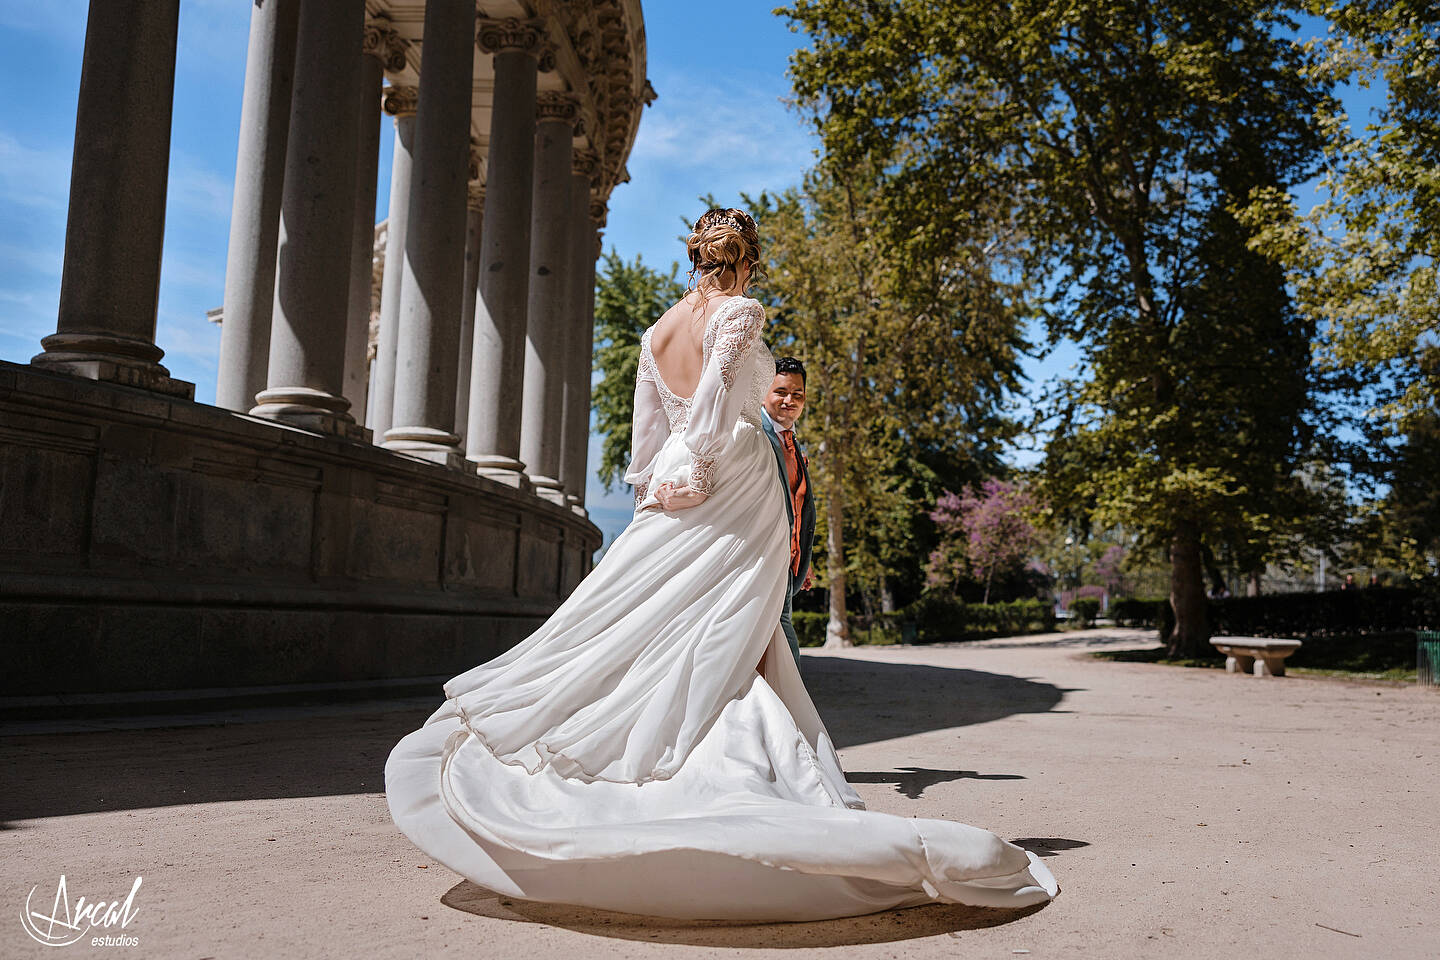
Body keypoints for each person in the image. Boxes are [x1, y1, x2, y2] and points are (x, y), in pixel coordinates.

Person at [384, 208, 1057, 921]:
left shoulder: (658, 328)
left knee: (680, 626)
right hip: (729, 478)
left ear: (694, 255)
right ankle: (730, 767)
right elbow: (710, 407)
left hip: (679, 483)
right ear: (750, 259)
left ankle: (672, 751)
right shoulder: (740, 312)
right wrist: (700, 466)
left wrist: (654, 491)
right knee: (726, 630)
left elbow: (649, 429)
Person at [760, 358, 815, 669]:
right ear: (764, 392)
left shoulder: (793, 442)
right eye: (781, 391)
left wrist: (803, 559)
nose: (789, 400)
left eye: (798, 394)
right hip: (762, 557)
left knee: (776, 640)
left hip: (787, 563)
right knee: (783, 640)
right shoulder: (755, 437)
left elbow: (797, 507)